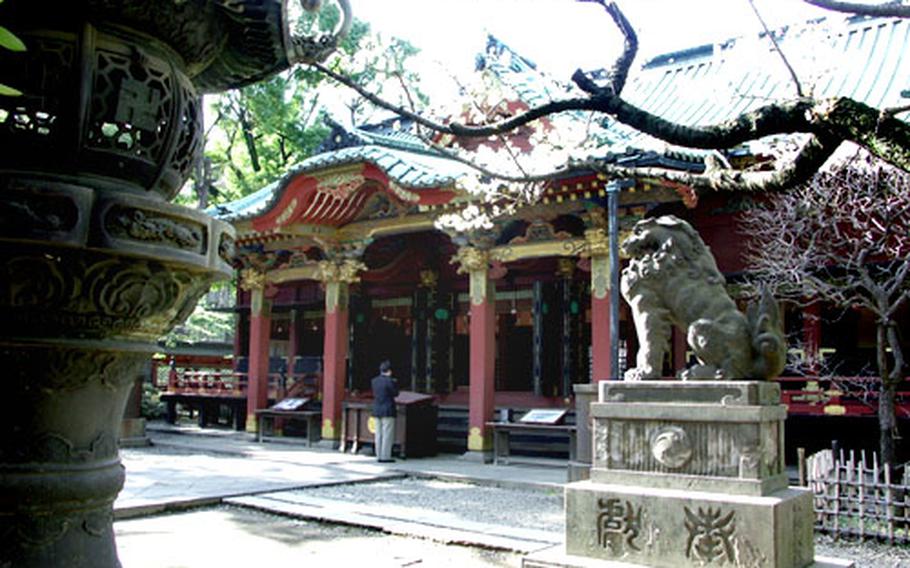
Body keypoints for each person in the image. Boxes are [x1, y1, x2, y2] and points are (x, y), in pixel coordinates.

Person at [371, 360, 399, 463]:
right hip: (388, 409)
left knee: (378, 433)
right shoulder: (390, 381)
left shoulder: (374, 381)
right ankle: (386, 456)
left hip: (377, 409)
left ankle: (378, 455)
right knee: (387, 434)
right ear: (390, 371)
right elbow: (395, 393)